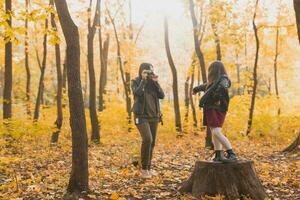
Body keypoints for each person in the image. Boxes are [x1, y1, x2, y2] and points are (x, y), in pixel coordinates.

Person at [193, 61, 237, 162]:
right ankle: (218, 155)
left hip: (218, 108)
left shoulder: (223, 79)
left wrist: (216, 98)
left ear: (214, 70)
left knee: (216, 131)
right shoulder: (213, 81)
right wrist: (196, 89)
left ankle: (231, 153)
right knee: (214, 132)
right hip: (210, 108)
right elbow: (206, 86)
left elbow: (222, 88)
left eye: (211, 69)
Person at [131, 63, 165, 178]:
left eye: (151, 71)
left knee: (152, 143)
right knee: (147, 139)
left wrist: (156, 82)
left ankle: (148, 168)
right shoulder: (136, 81)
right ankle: (144, 169)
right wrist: (143, 80)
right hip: (141, 116)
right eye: (147, 71)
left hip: (154, 117)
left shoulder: (153, 84)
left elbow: (162, 95)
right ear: (142, 71)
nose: (150, 73)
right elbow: (137, 93)